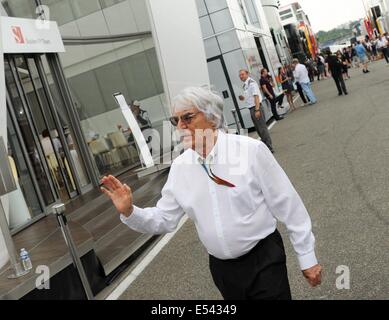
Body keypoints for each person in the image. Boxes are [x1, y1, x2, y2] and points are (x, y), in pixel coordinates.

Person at [100, 86, 323, 300]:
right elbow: (165, 219)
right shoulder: (180, 168)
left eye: (187, 117)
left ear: (212, 117)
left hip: (263, 260)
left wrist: (307, 257)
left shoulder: (250, 151)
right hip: (223, 271)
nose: (180, 126)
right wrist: (130, 211)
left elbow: (288, 205)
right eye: (175, 120)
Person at [239, 69, 274, 153]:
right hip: (251, 108)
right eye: (240, 75)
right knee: (258, 129)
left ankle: (269, 147)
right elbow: (249, 96)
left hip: (256, 107)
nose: (241, 76)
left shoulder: (252, 83)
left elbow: (256, 97)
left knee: (262, 128)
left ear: (247, 74)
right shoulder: (245, 85)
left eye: (242, 74)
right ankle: (265, 146)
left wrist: (257, 109)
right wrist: (242, 98)